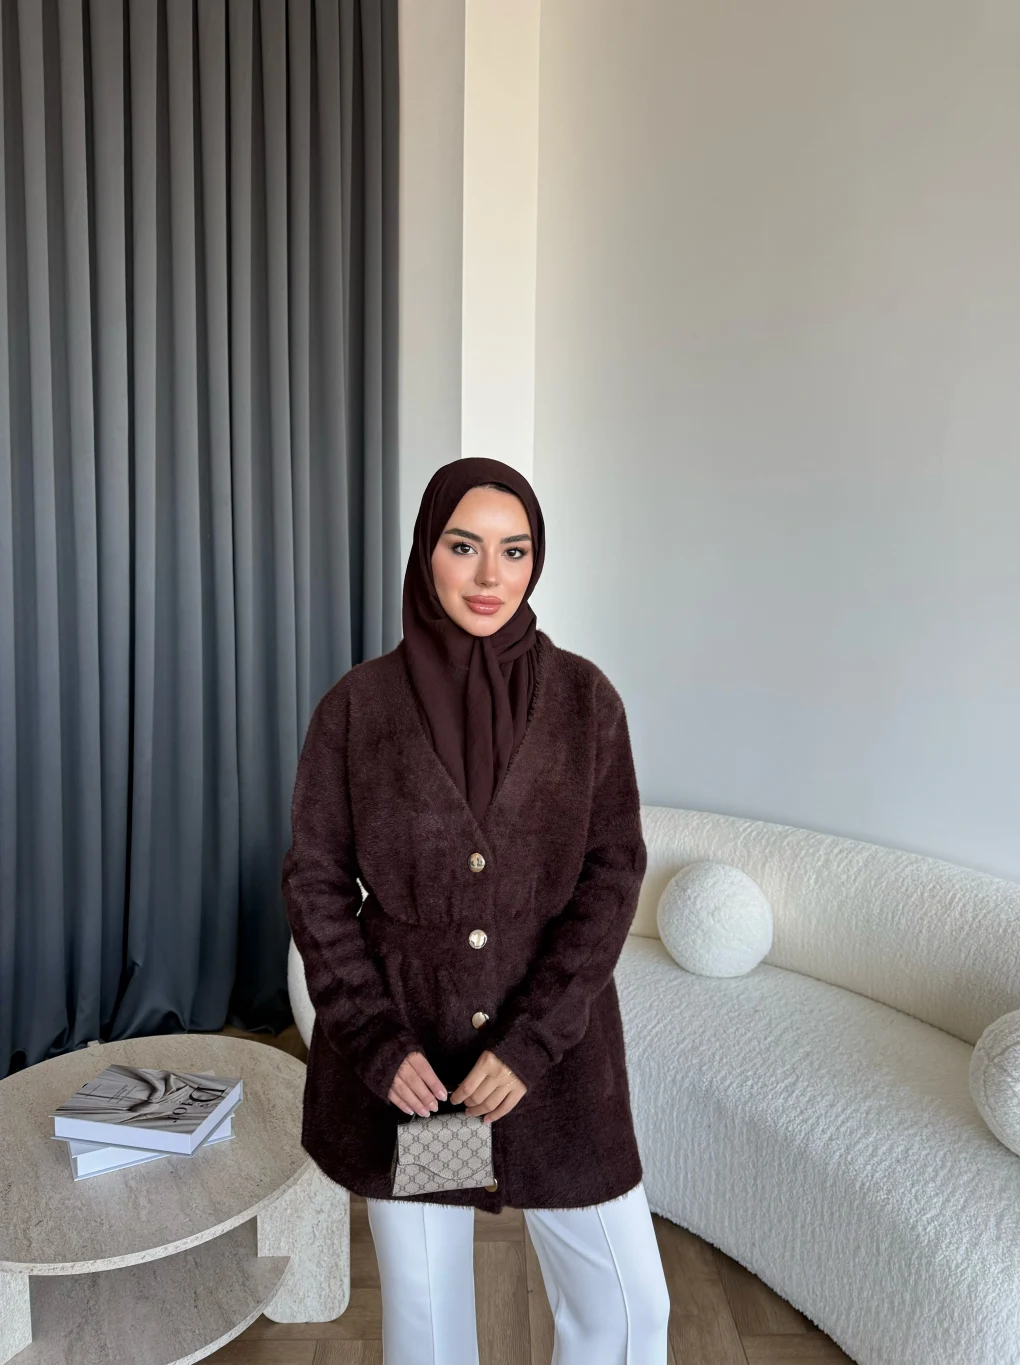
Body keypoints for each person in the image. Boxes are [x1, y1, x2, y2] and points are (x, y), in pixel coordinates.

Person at [283, 456, 671, 1364]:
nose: (491, 575)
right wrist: (377, 1042)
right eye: (465, 547)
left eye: (515, 549)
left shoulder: (586, 700)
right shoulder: (355, 709)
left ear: (537, 559)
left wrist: (532, 1041)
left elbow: (612, 875)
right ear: (427, 551)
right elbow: (316, 883)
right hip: (417, 1068)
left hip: (557, 1063)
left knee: (627, 1309)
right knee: (428, 1323)